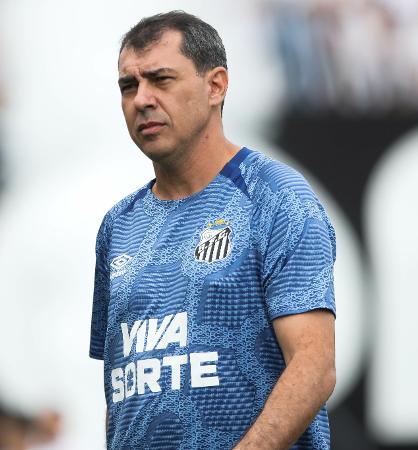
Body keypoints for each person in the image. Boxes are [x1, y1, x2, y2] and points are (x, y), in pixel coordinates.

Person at [89, 10, 336, 450]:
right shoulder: (118, 225)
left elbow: (314, 366)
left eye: (161, 79)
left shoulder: (274, 195)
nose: (142, 98)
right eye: (129, 86)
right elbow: (125, 385)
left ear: (215, 86)